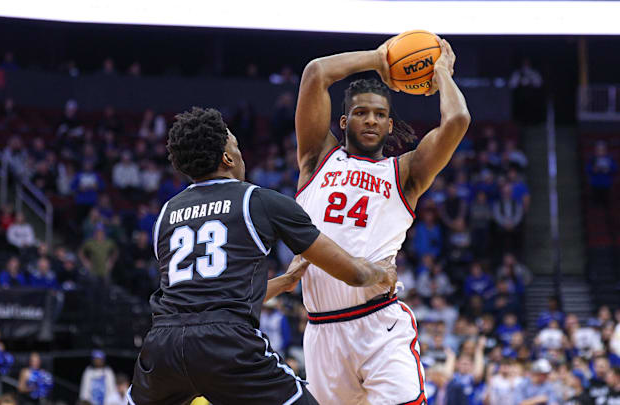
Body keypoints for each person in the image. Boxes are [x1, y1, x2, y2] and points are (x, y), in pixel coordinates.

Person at [127, 107, 395, 405]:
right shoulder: (258, 201)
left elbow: (203, 298)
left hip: (163, 346)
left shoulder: (166, 215)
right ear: (227, 159)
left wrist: (284, 282)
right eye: (236, 147)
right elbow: (354, 274)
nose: (241, 154)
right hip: (225, 345)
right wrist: (382, 272)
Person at [294, 33, 471, 404]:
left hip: (379, 322)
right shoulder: (316, 159)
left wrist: (440, 74)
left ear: (390, 125)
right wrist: (379, 58)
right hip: (322, 330)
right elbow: (316, 73)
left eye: (379, 114)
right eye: (360, 113)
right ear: (343, 122)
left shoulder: (405, 173)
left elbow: (457, 119)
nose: (370, 120)